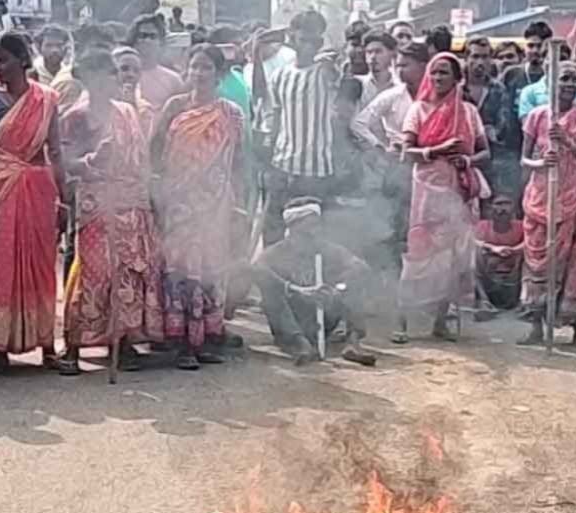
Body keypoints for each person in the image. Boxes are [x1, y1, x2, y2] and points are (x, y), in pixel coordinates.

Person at [59, 48, 164, 375]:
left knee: (128, 271)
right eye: (100, 75)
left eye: (111, 74)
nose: (108, 81)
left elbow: (141, 161)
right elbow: (66, 162)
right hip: (95, 203)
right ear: (87, 79)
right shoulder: (75, 117)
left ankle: (122, 341)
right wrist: (92, 160)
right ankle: (72, 346)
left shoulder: (126, 112)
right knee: (92, 272)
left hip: (129, 202)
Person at [0, 31, 68, 370]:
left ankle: (47, 345)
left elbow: (55, 152)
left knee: (41, 266)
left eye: (3, 60)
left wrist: (64, 201)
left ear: (22, 60)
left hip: (38, 193)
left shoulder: (47, 99)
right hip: (0, 191)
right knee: (0, 265)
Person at [150, 44, 245, 370]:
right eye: (195, 67)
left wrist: (239, 203)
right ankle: (181, 343)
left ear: (219, 74)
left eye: (207, 67)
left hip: (215, 204)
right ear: (186, 70)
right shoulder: (175, 107)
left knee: (209, 269)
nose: (199, 73)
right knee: (179, 270)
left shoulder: (231, 113)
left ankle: (206, 339)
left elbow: (239, 161)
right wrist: (157, 194)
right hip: (178, 203)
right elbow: (154, 152)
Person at [393, 52, 490, 344]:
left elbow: (486, 152)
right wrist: (437, 150)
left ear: (457, 79)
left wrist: (467, 160)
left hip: (459, 191)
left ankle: (440, 322)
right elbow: (406, 152)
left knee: (453, 259)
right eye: (434, 72)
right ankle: (402, 323)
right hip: (427, 192)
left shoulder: (469, 113)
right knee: (420, 257)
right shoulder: (418, 110)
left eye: (444, 72)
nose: (437, 77)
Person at [518, 61, 576, 348]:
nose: (570, 84)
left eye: (575, 79)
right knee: (538, 261)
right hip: (542, 197)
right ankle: (535, 326)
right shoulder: (537, 116)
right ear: (552, 81)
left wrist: (568, 143)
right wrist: (541, 162)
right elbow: (524, 158)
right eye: (564, 78)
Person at [246, 197, 375, 366]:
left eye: (316, 224)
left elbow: (360, 267)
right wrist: (295, 290)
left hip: (322, 315)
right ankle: (300, 344)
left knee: (353, 285)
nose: (316, 229)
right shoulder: (276, 252)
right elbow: (256, 270)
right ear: (294, 225)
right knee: (271, 294)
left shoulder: (325, 248)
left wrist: (337, 289)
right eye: (310, 225)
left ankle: (353, 343)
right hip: (291, 320)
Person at [262, 10, 339, 246]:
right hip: (282, 165)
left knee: (312, 237)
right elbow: (276, 118)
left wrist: (330, 64)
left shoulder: (325, 72)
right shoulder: (279, 76)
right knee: (273, 230)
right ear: (292, 39)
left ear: (321, 42)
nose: (308, 46)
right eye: (303, 39)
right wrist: (269, 160)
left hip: (315, 171)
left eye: (314, 41)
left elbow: (334, 75)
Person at [352, 43, 429, 265]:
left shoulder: (434, 97)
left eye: (406, 65)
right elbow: (359, 123)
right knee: (397, 221)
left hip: (429, 165)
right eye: (398, 65)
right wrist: (380, 147)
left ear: (423, 66)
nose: (400, 70)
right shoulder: (392, 96)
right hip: (399, 166)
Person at [499, 21, 554, 196]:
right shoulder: (512, 73)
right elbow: (502, 105)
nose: (535, 51)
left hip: (543, 149)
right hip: (513, 145)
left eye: (539, 46)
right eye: (531, 45)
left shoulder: (555, 76)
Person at [462, 36, 508, 174]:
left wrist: (491, 132)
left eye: (485, 57)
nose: (480, 62)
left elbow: (502, 125)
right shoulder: (455, 88)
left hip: (491, 160)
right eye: (475, 56)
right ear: (466, 58)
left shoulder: (498, 89)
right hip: (461, 156)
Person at [474, 191, 524, 317]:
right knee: (473, 257)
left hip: (514, 268)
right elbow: (471, 240)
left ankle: (524, 301)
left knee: (532, 257)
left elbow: (531, 241)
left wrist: (514, 250)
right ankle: (484, 301)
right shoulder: (482, 225)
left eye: (507, 203)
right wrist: (493, 248)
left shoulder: (521, 226)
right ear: (490, 208)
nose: (503, 208)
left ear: (514, 208)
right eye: (499, 204)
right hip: (489, 267)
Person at [127, 14, 184, 108]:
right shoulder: (122, 75)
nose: (147, 40)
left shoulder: (173, 80)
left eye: (152, 36)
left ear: (161, 41)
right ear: (134, 40)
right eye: (142, 36)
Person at [33, 24, 82, 114]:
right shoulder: (32, 72)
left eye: (59, 45)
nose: (54, 50)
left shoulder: (70, 75)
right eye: (49, 45)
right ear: (39, 48)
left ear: (65, 49)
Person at [113, 47, 156, 138]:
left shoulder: (145, 110)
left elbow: (143, 142)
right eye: (124, 69)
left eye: (136, 71)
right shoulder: (94, 102)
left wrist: (131, 107)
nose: (130, 74)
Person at [358, 30, 397, 110]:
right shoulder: (359, 86)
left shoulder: (400, 86)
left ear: (392, 54)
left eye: (378, 52)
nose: (373, 57)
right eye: (369, 52)